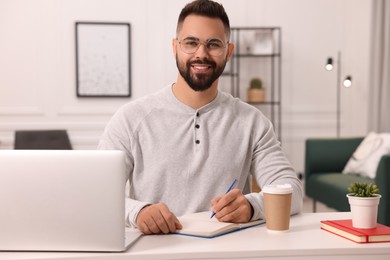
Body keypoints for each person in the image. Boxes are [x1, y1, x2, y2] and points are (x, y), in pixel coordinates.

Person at [98, 0, 303, 235]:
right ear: (175, 47)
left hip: (228, 251)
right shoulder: (130, 119)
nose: (201, 54)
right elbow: (99, 192)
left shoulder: (253, 123)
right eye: (191, 43)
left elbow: (291, 191)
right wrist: (139, 212)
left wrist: (251, 205)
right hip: (154, 250)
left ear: (229, 51)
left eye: (213, 44)